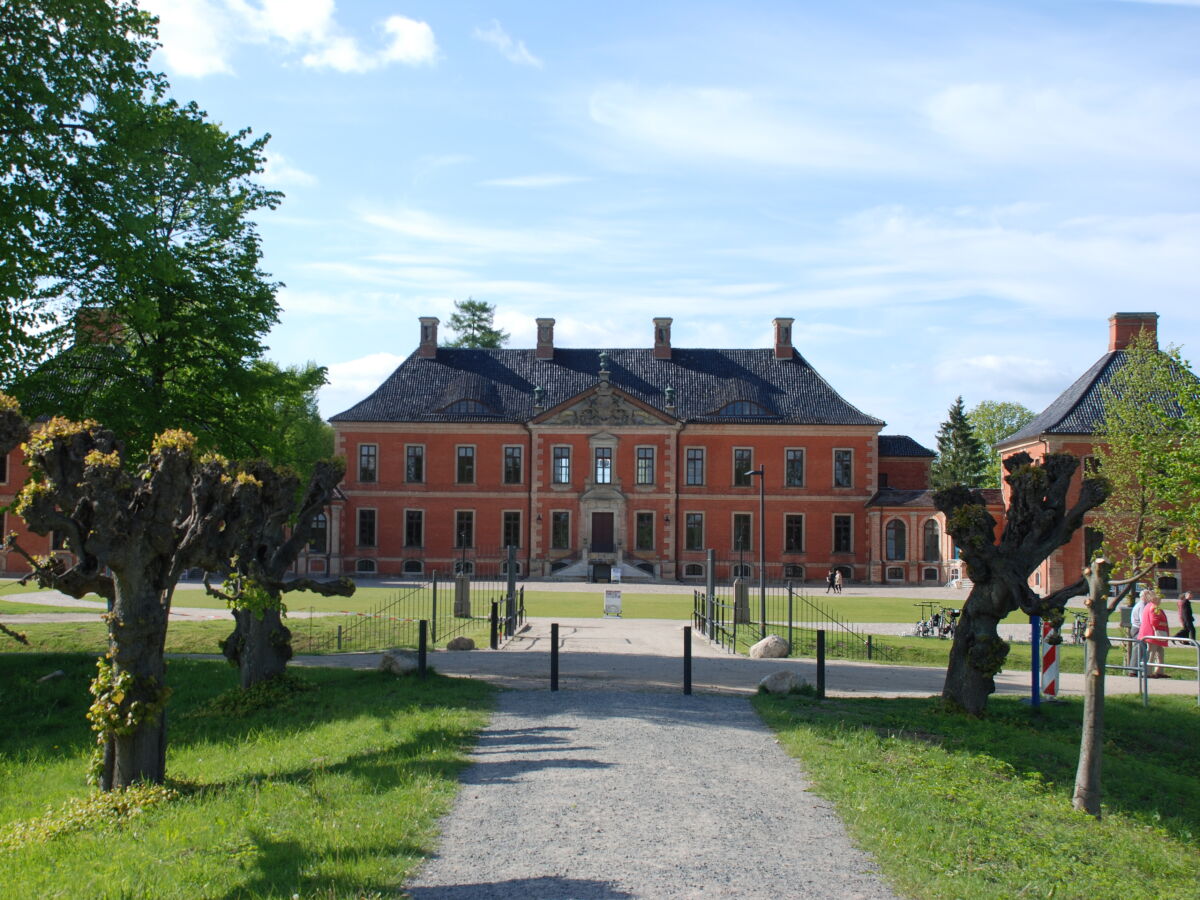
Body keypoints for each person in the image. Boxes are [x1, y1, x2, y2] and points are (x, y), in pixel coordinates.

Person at [1137, 590, 1169, 678]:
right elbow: (1154, 621)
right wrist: (1164, 624)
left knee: (1160, 652)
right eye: (1159, 599)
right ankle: (1147, 672)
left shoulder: (1149, 606)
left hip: (1151, 634)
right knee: (1152, 652)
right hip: (1153, 634)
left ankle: (1159, 671)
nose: (1160, 601)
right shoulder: (1154, 607)